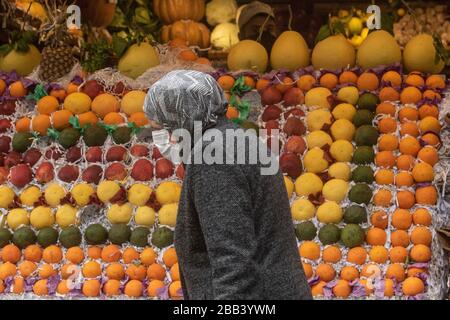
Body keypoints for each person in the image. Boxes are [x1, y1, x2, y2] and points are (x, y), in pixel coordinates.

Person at [144, 70, 311, 300]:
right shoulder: (237, 138)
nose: (164, 137)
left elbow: (233, 261)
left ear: (183, 117)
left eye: (165, 127)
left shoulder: (214, 157)